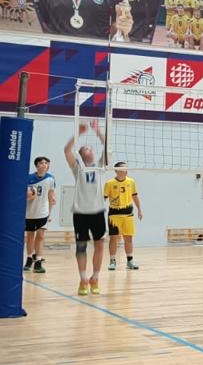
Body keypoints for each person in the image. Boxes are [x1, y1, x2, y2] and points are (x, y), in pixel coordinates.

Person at [64, 123, 108, 295]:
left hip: (98, 212)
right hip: (80, 213)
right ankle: (83, 279)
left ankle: (95, 278)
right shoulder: (78, 168)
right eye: (86, 148)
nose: (89, 150)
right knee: (81, 247)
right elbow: (67, 151)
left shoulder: (100, 166)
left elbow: (106, 145)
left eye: (91, 148)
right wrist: (77, 134)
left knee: (100, 245)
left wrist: (97, 131)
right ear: (82, 155)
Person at [103, 161, 142, 271]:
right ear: (116, 170)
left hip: (128, 214)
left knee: (128, 238)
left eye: (126, 168)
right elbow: (103, 198)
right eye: (122, 169)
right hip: (114, 214)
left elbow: (135, 196)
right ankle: (112, 261)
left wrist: (139, 210)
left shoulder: (131, 181)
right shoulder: (109, 183)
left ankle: (130, 261)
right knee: (113, 238)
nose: (125, 170)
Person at [24, 155, 56, 274]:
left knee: (41, 236)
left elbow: (51, 197)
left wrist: (49, 214)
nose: (44, 165)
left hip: (43, 212)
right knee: (30, 236)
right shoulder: (28, 178)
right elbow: (23, 195)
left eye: (46, 163)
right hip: (30, 212)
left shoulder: (50, 179)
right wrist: (28, 196)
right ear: (37, 165)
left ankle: (38, 261)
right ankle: (29, 259)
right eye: (42, 163)